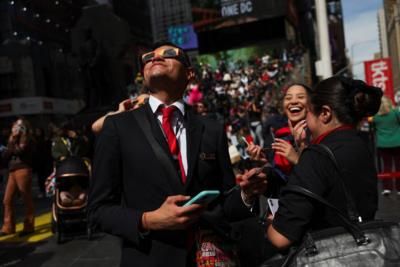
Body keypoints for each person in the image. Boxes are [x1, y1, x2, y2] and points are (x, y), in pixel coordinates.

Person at [88, 42, 266, 267]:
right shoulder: (117, 127)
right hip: (148, 258)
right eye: (150, 56)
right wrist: (149, 220)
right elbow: (98, 211)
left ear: (189, 73)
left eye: (169, 54)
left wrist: (247, 194)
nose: (156, 58)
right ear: (143, 73)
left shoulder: (211, 129)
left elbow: (226, 202)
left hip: (209, 258)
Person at [265, 77, 382, 249]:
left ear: (325, 113)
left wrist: (271, 223)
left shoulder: (317, 155)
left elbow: (280, 238)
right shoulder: (360, 143)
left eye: (310, 111)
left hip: (331, 252)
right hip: (363, 248)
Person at [0, 118, 35, 237]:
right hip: (12, 171)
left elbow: (19, 151)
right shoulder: (11, 139)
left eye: (19, 126)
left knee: (26, 198)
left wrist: (14, 140)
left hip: (23, 169)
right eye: (15, 125)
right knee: (7, 199)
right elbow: (6, 155)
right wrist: (12, 141)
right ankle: (8, 227)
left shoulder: (27, 138)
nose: (16, 128)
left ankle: (29, 226)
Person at [372, 95, 400, 195]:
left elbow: (373, 128)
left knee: (386, 166)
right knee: (398, 166)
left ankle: (387, 187)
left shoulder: (375, 116)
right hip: (397, 142)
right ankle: (399, 188)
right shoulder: (395, 113)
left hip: (383, 144)